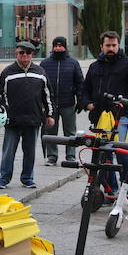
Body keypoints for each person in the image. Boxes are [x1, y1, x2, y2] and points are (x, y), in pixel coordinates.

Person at [81, 30, 128, 194]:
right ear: (101, 46)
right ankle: (111, 190)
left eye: (114, 45)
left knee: (120, 150)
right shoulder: (95, 66)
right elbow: (85, 89)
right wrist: (87, 103)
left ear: (118, 45)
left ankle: (126, 186)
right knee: (103, 154)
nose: (111, 48)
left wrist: (123, 101)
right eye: (108, 45)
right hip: (99, 116)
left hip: (120, 115)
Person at [0, 40, 54, 189]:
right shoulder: (7, 72)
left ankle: (27, 178)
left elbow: (47, 96)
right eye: (22, 52)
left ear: (32, 54)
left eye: (28, 53)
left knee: (30, 152)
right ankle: (3, 179)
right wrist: (4, 113)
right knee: (8, 152)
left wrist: (50, 115)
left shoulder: (40, 72)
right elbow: (0, 95)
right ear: (16, 53)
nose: (25, 55)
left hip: (33, 119)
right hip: (12, 120)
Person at [40, 36, 83, 165]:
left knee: (70, 131)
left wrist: (80, 100)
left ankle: (70, 156)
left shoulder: (73, 63)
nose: (58, 48)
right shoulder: (45, 63)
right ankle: (52, 156)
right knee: (50, 130)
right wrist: (41, 102)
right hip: (50, 104)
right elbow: (40, 83)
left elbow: (80, 83)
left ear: (65, 47)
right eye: (56, 46)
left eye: (61, 46)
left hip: (68, 103)